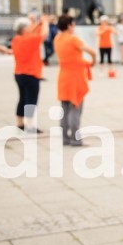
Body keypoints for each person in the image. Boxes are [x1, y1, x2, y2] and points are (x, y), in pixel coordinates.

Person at [55, 14, 97, 146]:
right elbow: (91, 52)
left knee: (65, 109)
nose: (74, 27)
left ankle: (64, 138)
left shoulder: (57, 38)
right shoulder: (73, 39)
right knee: (75, 108)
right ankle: (75, 138)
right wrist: (93, 61)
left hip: (63, 76)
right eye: (73, 24)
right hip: (75, 77)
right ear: (69, 25)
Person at [12, 15, 49, 133]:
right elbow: (44, 35)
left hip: (19, 73)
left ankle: (20, 123)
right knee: (31, 100)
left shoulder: (16, 39)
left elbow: (32, 32)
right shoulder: (30, 39)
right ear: (24, 29)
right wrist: (46, 22)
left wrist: (37, 23)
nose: (31, 28)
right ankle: (29, 125)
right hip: (31, 74)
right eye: (28, 27)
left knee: (22, 98)